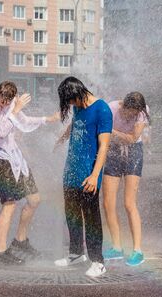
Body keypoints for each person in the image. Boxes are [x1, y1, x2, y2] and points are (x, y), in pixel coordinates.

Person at [0, 81, 59, 265]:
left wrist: (47, 119)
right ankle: (1, 253)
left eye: (8, 102)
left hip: (16, 157)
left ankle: (20, 241)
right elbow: (0, 132)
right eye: (2, 101)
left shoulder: (12, 105)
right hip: (1, 159)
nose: (4, 105)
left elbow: (23, 122)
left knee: (34, 199)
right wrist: (15, 110)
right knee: (10, 204)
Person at [54, 76, 112, 278]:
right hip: (71, 171)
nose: (70, 105)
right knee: (72, 215)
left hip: (89, 173)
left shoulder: (102, 109)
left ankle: (98, 261)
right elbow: (75, 125)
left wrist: (95, 176)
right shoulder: (78, 107)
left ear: (78, 94)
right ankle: (76, 253)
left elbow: (104, 145)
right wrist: (62, 138)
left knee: (91, 218)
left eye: (70, 100)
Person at [102, 92, 150, 267]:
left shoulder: (142, 112)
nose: (134, 116)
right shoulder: (111, 108)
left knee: (129, 203)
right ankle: (116, 247)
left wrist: (111, 131)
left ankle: (137, 250)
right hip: (112, 152)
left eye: (137, 113)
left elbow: (132, 139)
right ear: (124, 106)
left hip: (133, 154)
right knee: (107, 203)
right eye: (132, 112)